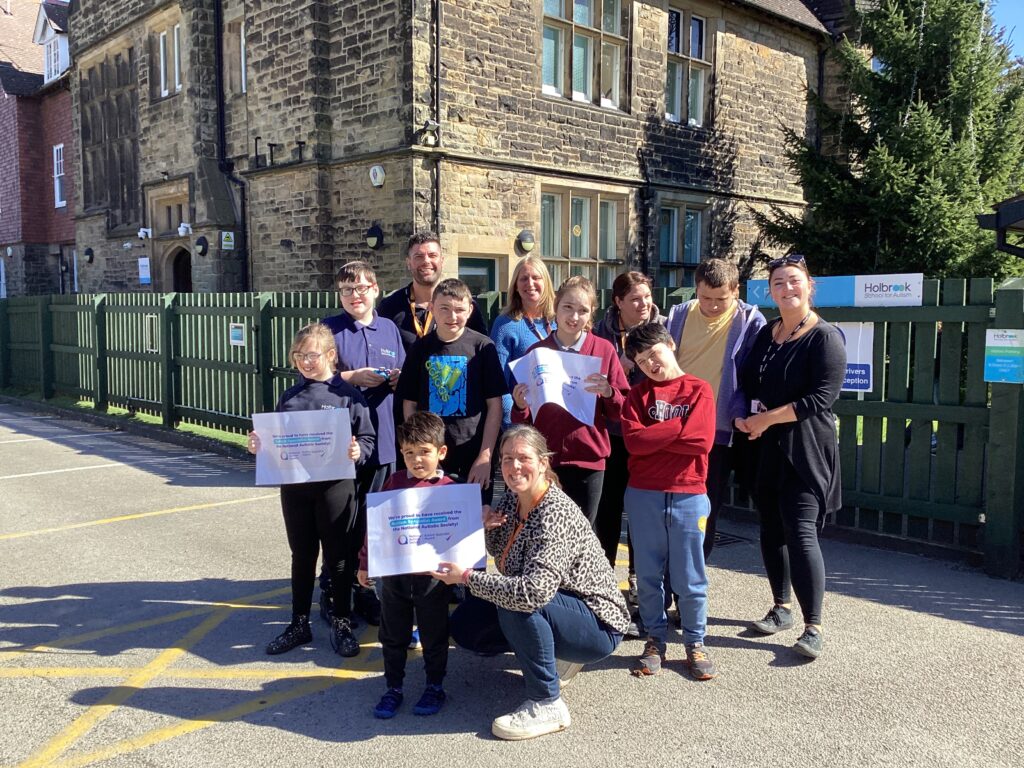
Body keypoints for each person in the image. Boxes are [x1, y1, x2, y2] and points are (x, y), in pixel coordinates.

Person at [435, 425, 629, 741]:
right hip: (558, 602)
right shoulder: (512, 500)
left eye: (523, 458)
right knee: (467, 626)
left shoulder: (555, 511)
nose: (514, 466)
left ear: (542, 462)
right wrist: (486, 527)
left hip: (597, 624)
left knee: (516, 604)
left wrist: (467, 577)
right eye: (506, 458)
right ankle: (552, 654)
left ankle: (547, 702)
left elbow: (531, 593)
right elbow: (502, 555)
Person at [736, 254, 845, 660]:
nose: (787, 288)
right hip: (765, 448)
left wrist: (766, 419)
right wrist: (744, 415)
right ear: (770, 291)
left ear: (809, 286)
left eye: (794, 281)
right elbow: (748, 380)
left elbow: (821, 397)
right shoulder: (768, 332)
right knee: (771, 528)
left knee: (801, 533)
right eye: (778, 283)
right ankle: (781, 607)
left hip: (806, 450)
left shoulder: (825, 337)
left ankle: (813, 626)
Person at [247, 323, 376, 657]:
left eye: (312, 355)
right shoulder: (289, 397)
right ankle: (299, 623)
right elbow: (276, 441)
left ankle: (343, 623)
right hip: (296, 489)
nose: (305, 361)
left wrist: (358, 451)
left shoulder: (348, 396)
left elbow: (368, 438)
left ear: (331, 355)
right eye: (299, 355)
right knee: (302, 556)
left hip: (336, 487)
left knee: (339, 558)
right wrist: (259, 445)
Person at [621, 323, 716, 680]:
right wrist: (680, 428)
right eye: (641, 361)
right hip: (644, 493)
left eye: (654, 353)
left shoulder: (699, 390)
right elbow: (634, 442)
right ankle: (654, 640)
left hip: (689, 492)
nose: (651, 364)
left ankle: (695, 641)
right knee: (647, 574)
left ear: (671, 344)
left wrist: (654, 437)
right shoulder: (636, 397)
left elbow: (701, 441)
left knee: (690, 575)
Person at [321, 261, 405, 627]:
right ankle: (332, 592)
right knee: (341, 523)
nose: (354, 295)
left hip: (383, 439)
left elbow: (403, 370)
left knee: (374, 523)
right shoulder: (329, 329)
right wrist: (351, 377)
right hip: (344, 443)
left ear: (375, 290)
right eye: (346, 290)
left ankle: (364, 591)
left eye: (361, 288)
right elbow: (313, 377)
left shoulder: (388, 329)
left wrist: (399, 379)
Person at [666, 259, 765, 560]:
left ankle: (692, 579)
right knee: (669, 506)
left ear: (736, 291)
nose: (711, 306)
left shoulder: (750, 322)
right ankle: (667, 577)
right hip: (674, 425)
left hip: (718, 430)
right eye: (704, 297)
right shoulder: (678, 315)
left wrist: (740, 413)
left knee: (703, 510)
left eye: (721, 299)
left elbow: (751, 377)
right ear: (695, 289)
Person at [357, 412, 455, 719]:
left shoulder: (451, 489)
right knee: (393, 633)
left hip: (432, 579)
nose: (416, 460)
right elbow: (376, 526)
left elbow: (461, 535)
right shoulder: (394, 482)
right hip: (395, 576)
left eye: (424, 451)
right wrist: (365, 562)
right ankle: (393, 688)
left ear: (441, 452)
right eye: (409, 452)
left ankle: (435, 685)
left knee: (434, 634)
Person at [511, 276, 628, 526]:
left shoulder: (603, 350)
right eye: (568, 307)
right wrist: (520, 405)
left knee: (582, 530)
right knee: (546, 528)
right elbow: (525, 419)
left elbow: (621, 411)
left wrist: (609, 392)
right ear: (556, 306)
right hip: (546, 460)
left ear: (591, 313)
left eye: (583, 310)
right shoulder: (537, 352)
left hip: (589, 460)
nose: (574, 317)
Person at [396, 278, 506, 503]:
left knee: (475, 518)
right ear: (432, 308)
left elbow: (495, 406)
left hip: (473, 457)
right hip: (431, 456)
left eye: (459, 310)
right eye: (444, 308)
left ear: (470, 310)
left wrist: (485, 456)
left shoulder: (483, 347)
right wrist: (419, 450)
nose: (452, 316)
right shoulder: (420, 349)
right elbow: (409, 404)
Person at [592, 271, 664, 587]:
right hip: (611, 431)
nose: (643, 304)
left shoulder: (662, 330)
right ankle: (605, 573)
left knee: (642, 509)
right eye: (635, 299)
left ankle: (638, 576)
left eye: (647, 297)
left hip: (648, 433)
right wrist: (619, 366)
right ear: (618, 302)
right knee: (608, 508)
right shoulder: (600, 333)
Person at [377, 231, 489, 353]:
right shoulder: (390, 306)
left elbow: (482, 350)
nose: (426, 261)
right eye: (419, 256)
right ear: (408, 263)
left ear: (442, 260)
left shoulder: (462, 307)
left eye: (432, 255)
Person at [490, 256, 557, 428]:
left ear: (546, 282)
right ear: (516, 286)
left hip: (557, 421)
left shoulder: (559, 320)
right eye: (524, 279)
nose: (530, 283)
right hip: (523, 423)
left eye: (536, 277)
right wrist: (513, 425)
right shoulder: (506, 325)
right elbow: (498, 384)